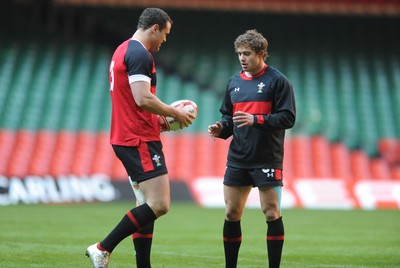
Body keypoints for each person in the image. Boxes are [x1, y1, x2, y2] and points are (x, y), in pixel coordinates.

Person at [85, 7, 195, 268]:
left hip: (128, 134)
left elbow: (130, 100)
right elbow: (142, 98)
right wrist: (174, 113)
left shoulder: (122, 49)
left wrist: (158, 120)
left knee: (144, 204)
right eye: (165, 34)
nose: (164, 40)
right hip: (138, 139)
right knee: (160, 204)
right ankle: (102, 247)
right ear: (154, 28)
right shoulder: (139, 54)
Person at [208, 29, 296, 268]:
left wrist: (256, 119)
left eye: (247, 53)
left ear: (262, 53)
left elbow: (288, 118)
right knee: (231, 213)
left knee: (270, 212)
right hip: (238, 157)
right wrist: (221, 129)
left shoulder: (278, 81)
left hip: (267, 157)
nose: (242, 58)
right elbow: (229, 117)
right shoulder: (234, 82)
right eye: (239, 53)